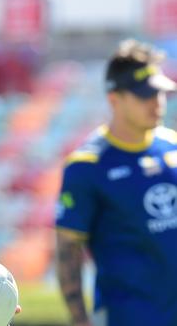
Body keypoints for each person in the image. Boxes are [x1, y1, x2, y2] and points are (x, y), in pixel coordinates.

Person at [56, 39, 177, 326]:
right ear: (114, 99)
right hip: (126, 317)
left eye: (159, 93)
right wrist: (80, 320)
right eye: (144, 95)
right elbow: (68, 253)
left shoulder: (173, 146)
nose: (156, 102)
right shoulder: (86, 166)